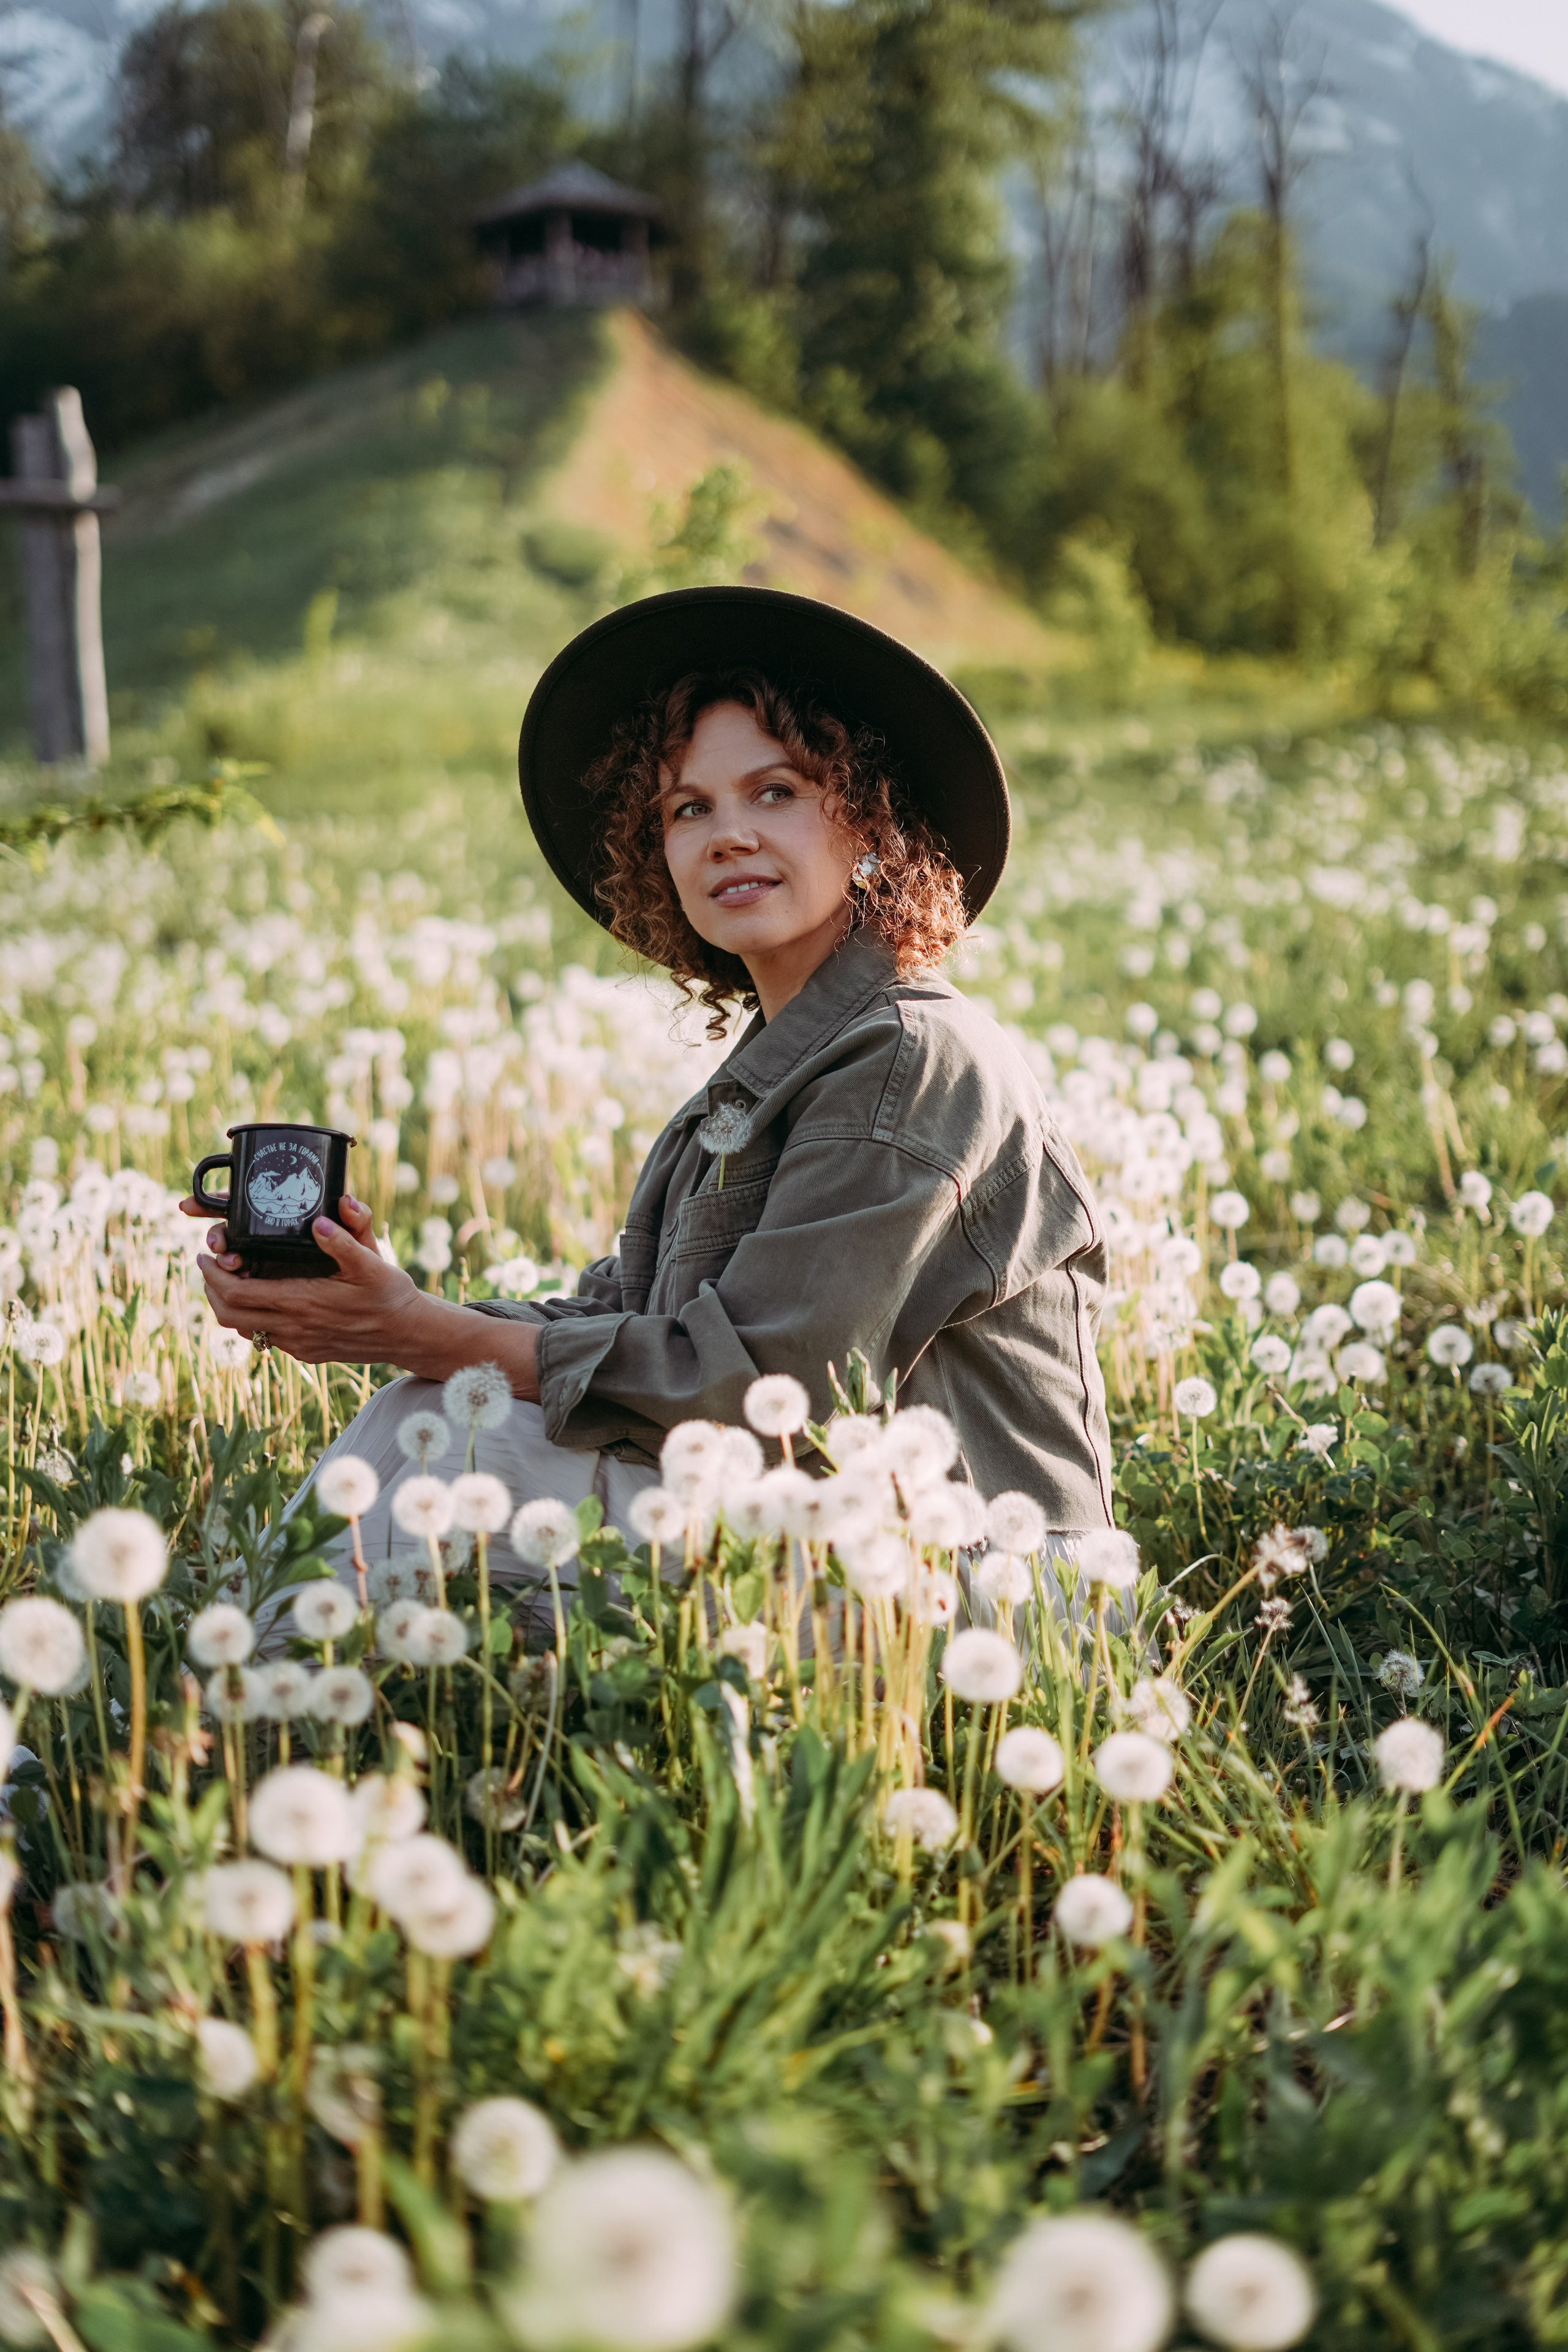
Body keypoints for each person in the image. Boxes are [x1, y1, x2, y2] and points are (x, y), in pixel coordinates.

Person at [185, 586, 1114, 1580]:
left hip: (973, 1582)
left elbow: (772, 1393)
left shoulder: (910, 1058)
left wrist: (417, 1333)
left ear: (872, 825)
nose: (727, 835)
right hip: (823, 1544)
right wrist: (388, 1309)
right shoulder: (777, 1072)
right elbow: (626, 1321)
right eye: (688, 809)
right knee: (434, 1408)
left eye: (776, 792)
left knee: (461, 1442)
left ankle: (238, 1672)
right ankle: (264, 1667)